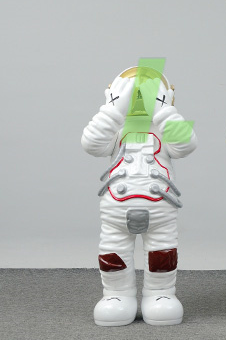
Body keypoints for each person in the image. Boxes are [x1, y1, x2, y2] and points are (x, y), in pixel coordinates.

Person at [82, 66, 197, 326]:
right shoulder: (115, 129)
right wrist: (113, 109)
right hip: (115, 212)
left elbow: (186, 145)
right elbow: (90, 144)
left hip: (160, 212)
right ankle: (116, 295)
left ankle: (161, 294)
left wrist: (162, 110)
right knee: (113, 251)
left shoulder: (165, 128)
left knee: (162, 253)